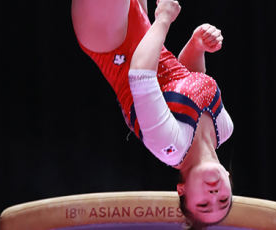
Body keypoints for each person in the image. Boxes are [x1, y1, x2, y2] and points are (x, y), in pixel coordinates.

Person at [71, 0, 234, 228]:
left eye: (204, 204)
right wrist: (197, 45)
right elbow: (185, 81)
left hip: (112, 44)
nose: (214, 194)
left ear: (182, 190)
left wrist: (164, 18)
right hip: (141, 28)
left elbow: (140, 73)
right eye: (223, 200)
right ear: (228, 178)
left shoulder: (169, 146)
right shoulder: (224, 129)